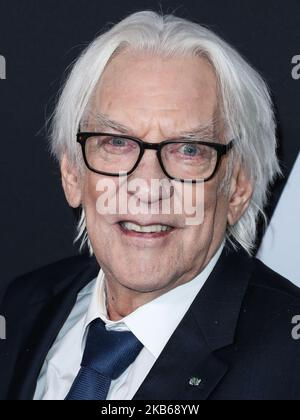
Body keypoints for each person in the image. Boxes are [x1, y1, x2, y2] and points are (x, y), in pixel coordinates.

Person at [1, 11, 300, 401]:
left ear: (238, 188)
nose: (147, 187)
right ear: (72, 175)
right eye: (116, 143)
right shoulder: (24, 305)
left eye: (189, 149)